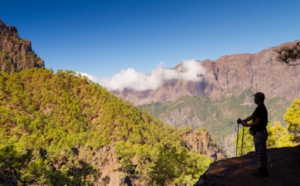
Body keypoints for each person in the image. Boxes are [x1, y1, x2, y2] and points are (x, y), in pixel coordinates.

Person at [237, 92, 269, 177]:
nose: (254, 99)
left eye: (255, 98)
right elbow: (251, 117)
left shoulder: (260, 108)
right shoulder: (260, 108)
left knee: (260, 152)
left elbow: (257, 121)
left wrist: (247, 125)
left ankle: (263, 171)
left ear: (258, 99)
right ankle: (263, 169)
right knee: (261, 151)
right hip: (262, 132)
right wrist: (243, 121)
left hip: (260, 133)